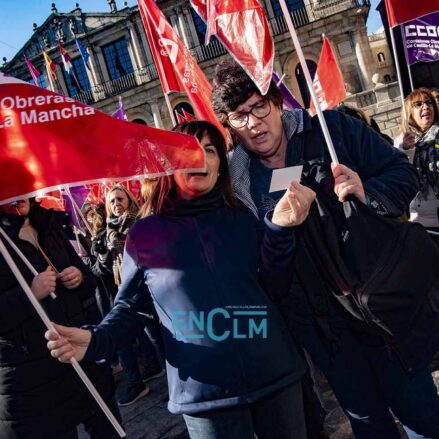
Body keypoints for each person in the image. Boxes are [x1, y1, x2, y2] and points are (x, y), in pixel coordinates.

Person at [211, 60, 439, 439]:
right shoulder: (239, 184)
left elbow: (403, 174)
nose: (253, 123)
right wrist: (278, 231)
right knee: (370, 427)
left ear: (276, 102)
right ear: (228, 124)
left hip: (382, 309)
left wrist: (367, 191)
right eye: (239, 116)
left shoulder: (331, 129)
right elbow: (267, 280)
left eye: (258, 107)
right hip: (326, 335)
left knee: (423, 418)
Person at [46, 120, 316, 439]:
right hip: (204, 394)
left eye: (210, 150)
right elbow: (132, 309)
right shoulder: (144, 235)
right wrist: (96, 340)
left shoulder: (243, 216)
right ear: (168, 164)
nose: (201, 158)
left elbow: (275, 286)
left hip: (275, 376)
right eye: (188, 150)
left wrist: (280, 232)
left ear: (220, 166)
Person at [0, 199, 120, 439]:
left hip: (81, 356)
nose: (18, 197)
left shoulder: (48, 225)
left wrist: (79, 277)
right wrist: (30, 294)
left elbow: (87, 280)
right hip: (33, 381)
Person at [100, 185, 164, 406]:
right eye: (112, 201)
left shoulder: (137, 222)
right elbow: (106, 267)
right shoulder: (109, 228)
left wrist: (120, 238)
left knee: (156, 334)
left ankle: (172, 374)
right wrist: (102, 252)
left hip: (145, 286)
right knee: (146, 334)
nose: (116, 204)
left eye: (120, 199)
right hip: (124, 285)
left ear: (129, 200)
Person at [395, 88, 439, 244]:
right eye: (418, 104)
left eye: (428, 103)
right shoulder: (401, 143)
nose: (425, 107)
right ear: (409, 113)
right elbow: (401, 179)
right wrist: (407, 150)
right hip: (425, 224)